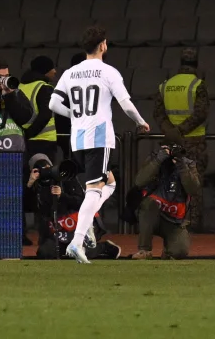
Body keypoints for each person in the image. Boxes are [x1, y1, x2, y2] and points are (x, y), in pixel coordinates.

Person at [49, 25, 150, 264]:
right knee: (95, 189)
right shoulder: (108, 72)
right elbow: (125, 104)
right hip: (99, 137)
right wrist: (141, 122)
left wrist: (74, 114)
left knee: (110, 184)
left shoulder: (70, 73)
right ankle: (77, 240)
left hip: (77, 138)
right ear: (103, 45)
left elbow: (53, 104)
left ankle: (87, 220)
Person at [154, 47, 209, 232]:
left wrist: (171, 132)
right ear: (196, 64)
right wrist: (182, 130)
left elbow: (158, 114)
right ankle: (192, 226)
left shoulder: (165, 85)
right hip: (194, 144)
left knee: (169, 183)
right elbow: (201, 114)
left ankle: (170, 224)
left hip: (171, 143)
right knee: (194, 185)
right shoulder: (198, 84)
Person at [28, 154, 121, 261]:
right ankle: (69, 249)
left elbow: (81, 201)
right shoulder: (34, 185)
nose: (43, 171)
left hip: (76, 223)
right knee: (45, 253)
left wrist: (62, 196)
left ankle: (105, 247)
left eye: (47, 167)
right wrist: (31, 184)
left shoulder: (65, 175)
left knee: (83, 252)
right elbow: (30, 208)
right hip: (56, 229)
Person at [130, 144, 199, 260]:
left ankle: (168, 252)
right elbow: (139, 181)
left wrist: (182, 166)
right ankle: (144, 250)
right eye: (169, 148)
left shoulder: (188, 164)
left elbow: (193, 189)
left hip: (174, 221)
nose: (172, 152)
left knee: (180, 251)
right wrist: (158, 160)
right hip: (152, 217)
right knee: (148, 204)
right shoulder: (155, 160)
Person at [19, 55, 59, 163]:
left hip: (22, 141)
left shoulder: (19, 87)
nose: (55, 71)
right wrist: (30, 133)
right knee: (46, 176)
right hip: (44, 141)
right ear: (45, 70)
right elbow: (45, 115)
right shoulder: (45, 88)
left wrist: (24, 135)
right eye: (52, 68)